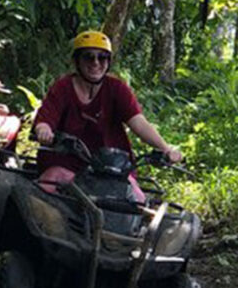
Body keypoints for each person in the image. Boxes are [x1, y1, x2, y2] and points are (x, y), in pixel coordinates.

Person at [33, 30, 182, 199]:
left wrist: (165, 148)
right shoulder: (63, 87)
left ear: (108, 62)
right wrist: (44, 131)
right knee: (47, 187)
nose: (96, 63)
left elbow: (139, 123)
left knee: (138, 199)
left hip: (111, 168)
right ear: (77, 61)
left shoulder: (117, 89)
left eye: (102, 57)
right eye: (88, 57)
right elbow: (45, 119)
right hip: (68, 163)